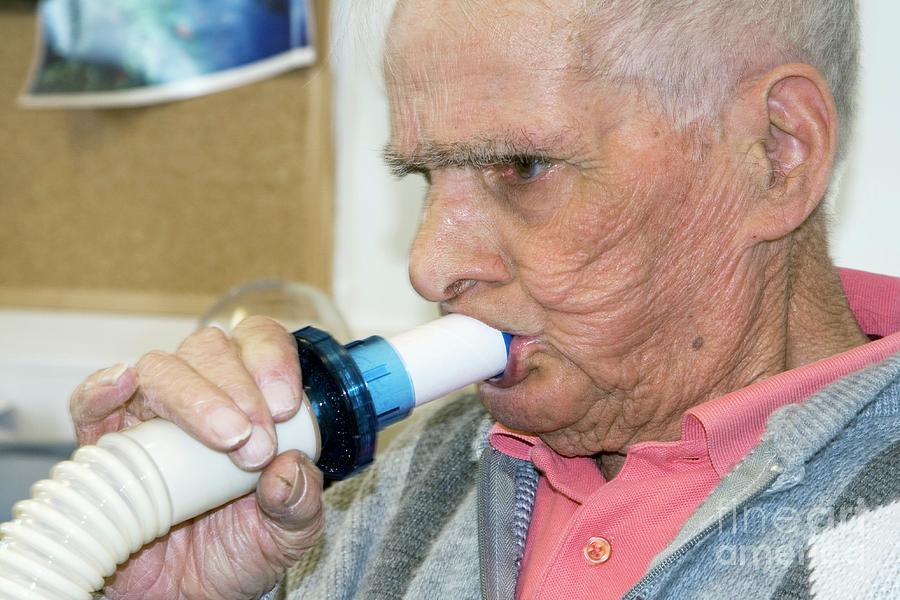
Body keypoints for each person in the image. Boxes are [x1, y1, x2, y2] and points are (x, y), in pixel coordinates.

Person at [72, 1, 900, 598]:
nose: (430, 268)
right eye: (424, 177)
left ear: (778, 153)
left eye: (522, 168)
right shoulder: (398, 478)